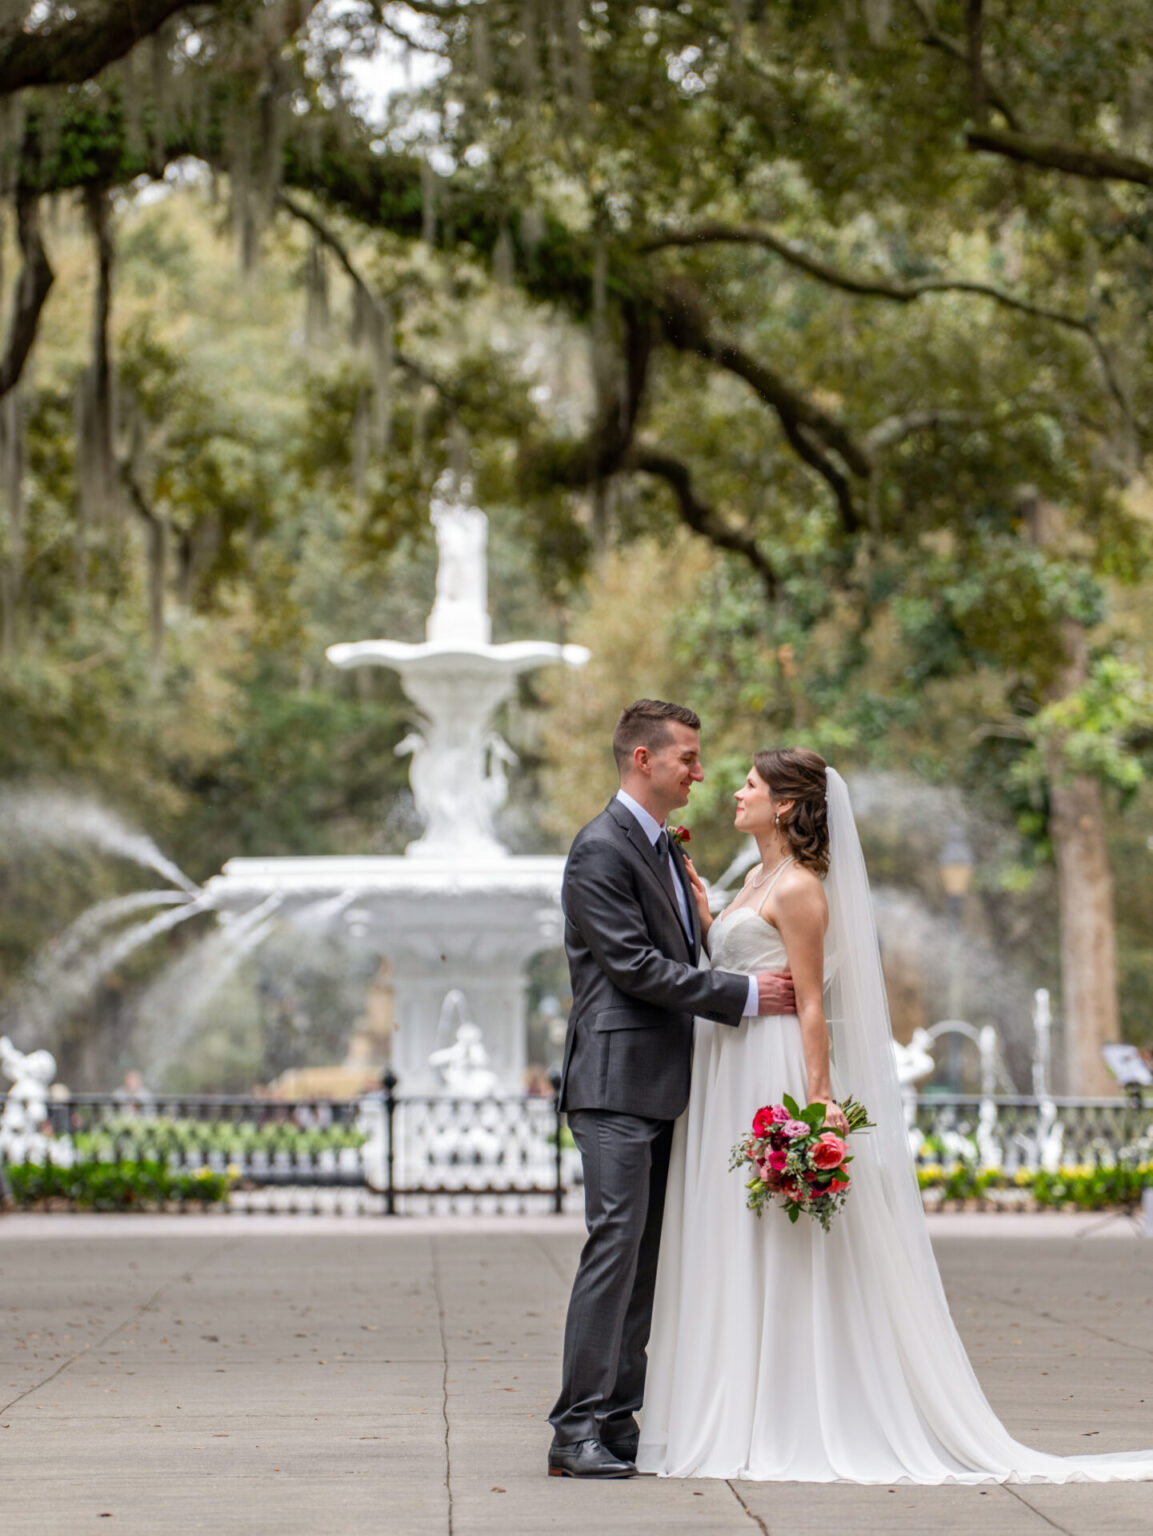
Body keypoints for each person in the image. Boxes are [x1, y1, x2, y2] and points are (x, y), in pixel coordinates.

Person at [637, 747, 1153, 1483]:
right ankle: (730, 1397)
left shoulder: (804, 889)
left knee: (781, 1236)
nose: (734, 792)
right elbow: (736, 958)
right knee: (731, 1224)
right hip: (726, 1059)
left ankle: (786, 1406)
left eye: (749, 785)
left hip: (772, 1062)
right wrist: (700, 906)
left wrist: (815, 1106)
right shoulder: (755, 878)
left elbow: (812, 1001)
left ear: (784, 805)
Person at [547, 700, 796, 1479]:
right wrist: (747, 995)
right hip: (616, 1085)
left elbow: (669, 947)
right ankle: (574, 1428)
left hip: (664, 1084)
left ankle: (619, 1418)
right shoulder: (599, 849)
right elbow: (631, 968)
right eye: (686, 756)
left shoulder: (657, 848)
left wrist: (703, 921)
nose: (699, 770)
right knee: (613, 1250)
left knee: (645, 1261)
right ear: (641, 761)